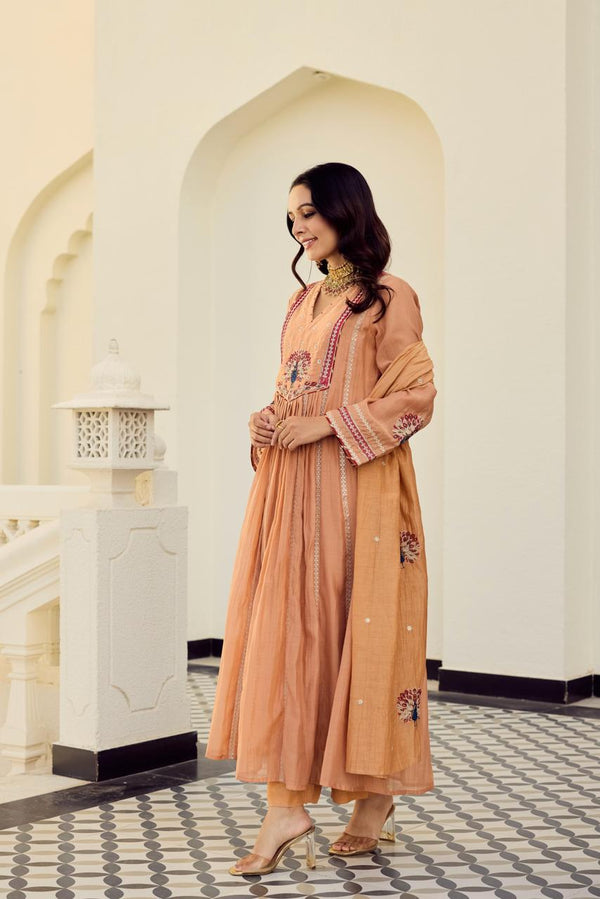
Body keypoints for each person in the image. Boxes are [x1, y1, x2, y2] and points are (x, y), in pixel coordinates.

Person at [205, 161, 437, 876]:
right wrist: (269, 421)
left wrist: (327, 427)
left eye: (308, 211)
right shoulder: (300, 302)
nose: (299, 226)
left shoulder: (388, 297)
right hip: (294, 494)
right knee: (288, 636)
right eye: (292, 217)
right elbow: (291, 390)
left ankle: (374, 800)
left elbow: (416, 396)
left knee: (356, 634)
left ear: (345, 210)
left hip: (359, 497)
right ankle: (287, 804)